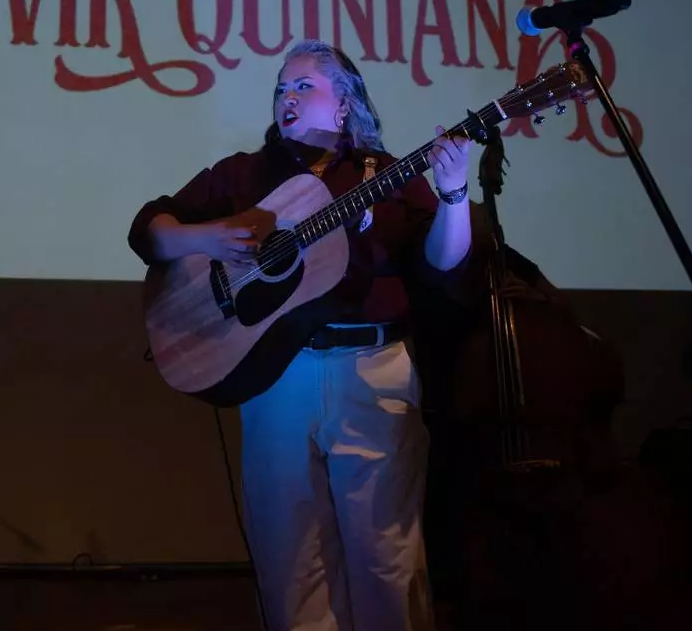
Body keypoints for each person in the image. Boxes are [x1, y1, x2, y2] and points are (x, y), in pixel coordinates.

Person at [127, 39, 474, 631]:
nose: (286, 97)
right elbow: (149, 230)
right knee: (289, 558)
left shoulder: (385, 175)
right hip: (277, 375)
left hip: (373, 370)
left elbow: (442, 264)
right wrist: (206, 237)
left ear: (344, 106)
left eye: (302, 86)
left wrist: (454, 194)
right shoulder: (243, 175)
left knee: (385, 556)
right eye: (280, 89)